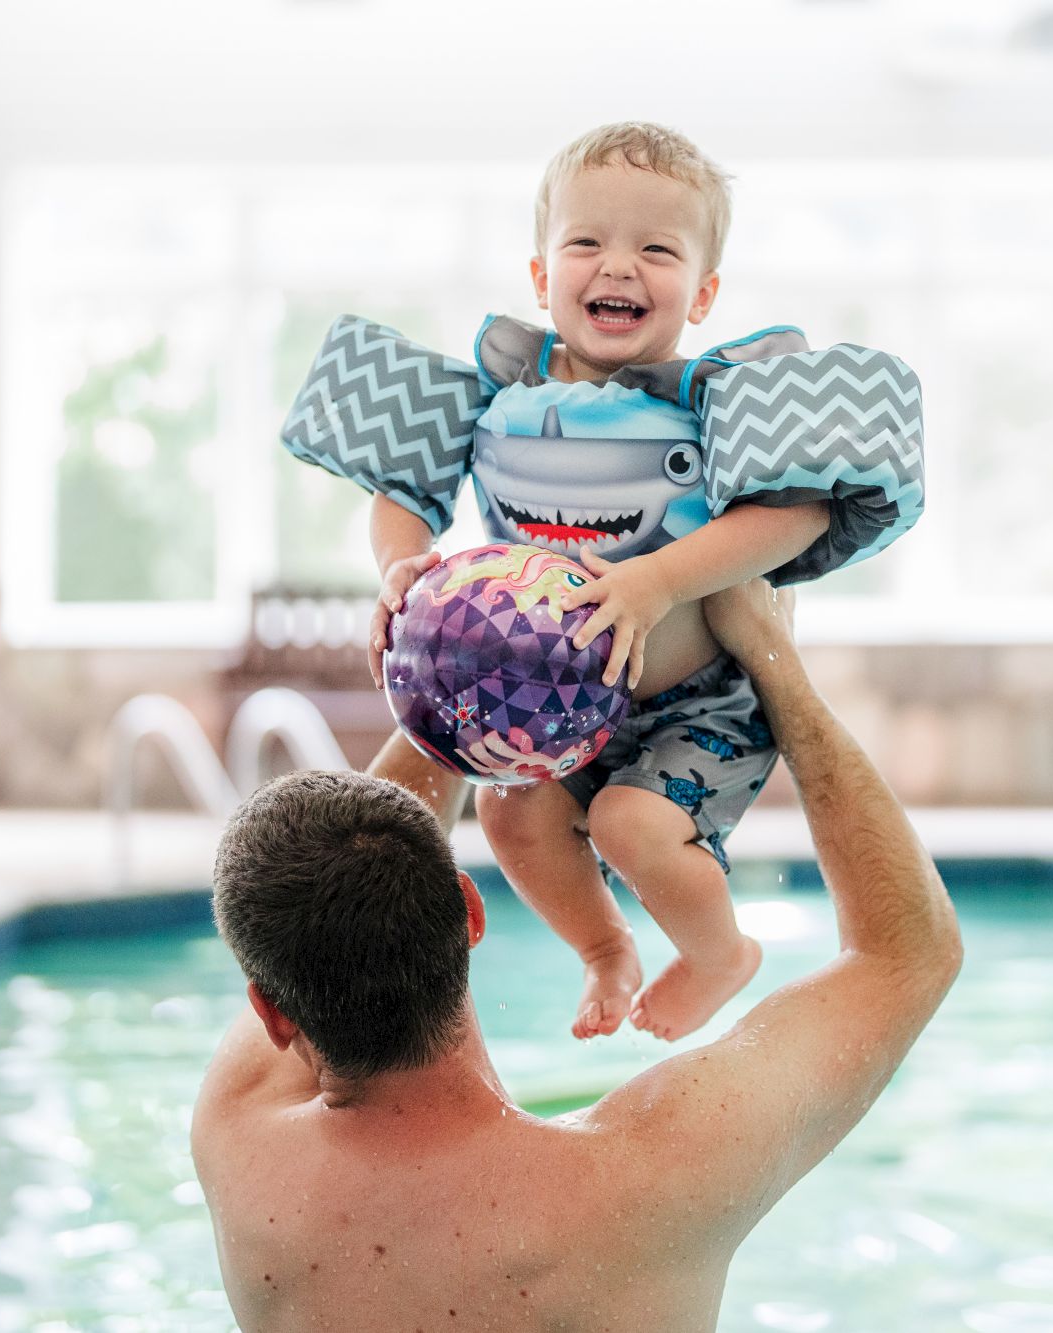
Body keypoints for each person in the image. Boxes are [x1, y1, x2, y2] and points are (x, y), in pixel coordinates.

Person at [281, 122, 926, 1042]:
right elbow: (400, 493)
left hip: (695, 704)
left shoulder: (713, 398)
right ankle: (603, 948)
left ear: (702, 293)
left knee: (632, 825)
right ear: (542, 276)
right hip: (550, 706)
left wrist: (658, 582)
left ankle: (717, 953)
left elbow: (801, 514)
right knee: (510, 817)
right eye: (586, 242)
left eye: (656, 249)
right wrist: (400, 567)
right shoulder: (497, 394)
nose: (617, 266)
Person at [195, 578, 962, 1332]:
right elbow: (909, 954)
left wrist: (459, 677)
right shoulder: (646, 1178)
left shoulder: (238, 1143)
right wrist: (774, 660)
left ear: (272, 1011)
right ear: (469, 911)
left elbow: (330, 896)